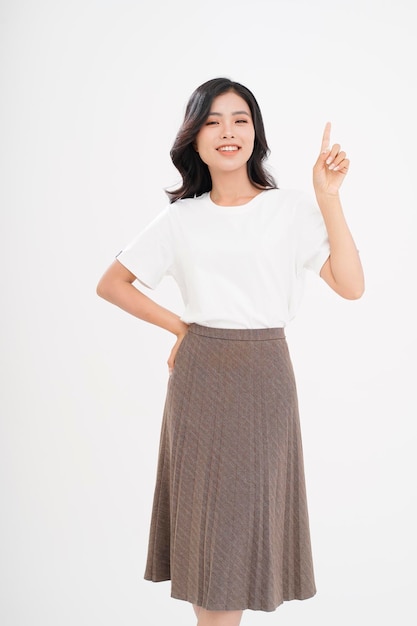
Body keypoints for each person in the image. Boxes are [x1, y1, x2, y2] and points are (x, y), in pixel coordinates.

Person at [96, 77, 364, 626]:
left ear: (256, 135)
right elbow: (112, 283)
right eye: (214, 121)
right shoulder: (180, 219)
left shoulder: (289, 210)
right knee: (210, 538)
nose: (228, 131)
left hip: (265, 378)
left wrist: (328, 198)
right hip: (201, 379)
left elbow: (351, 284)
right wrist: (180, 328)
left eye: (240, 119)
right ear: (194, 139)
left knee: (241, 532)